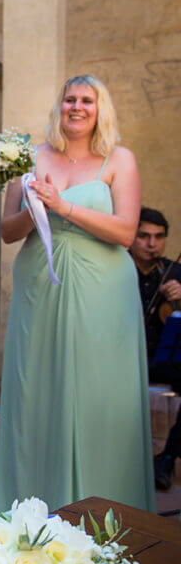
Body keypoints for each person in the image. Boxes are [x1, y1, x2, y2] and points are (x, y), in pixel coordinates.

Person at [0, 74, 155, 512]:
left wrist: (64, 206)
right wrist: (35, 209)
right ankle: (33, 504)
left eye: (87, 100)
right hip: (40, 287)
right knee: (38, 391)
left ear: (100, 109)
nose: (77, 107)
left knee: (100, 392)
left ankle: (108, 504)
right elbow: (7, 232)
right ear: (59, 107)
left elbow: (125, 232)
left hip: (103, 291)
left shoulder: (119, 160)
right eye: (70, 99)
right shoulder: (28, 157)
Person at [127, 207, 180, 490]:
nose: (152, 244)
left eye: (159, 237)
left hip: (162, 358)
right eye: (144, 236)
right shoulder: (117, 269)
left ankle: (167, 457)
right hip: (121, 360)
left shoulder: (176, 272)